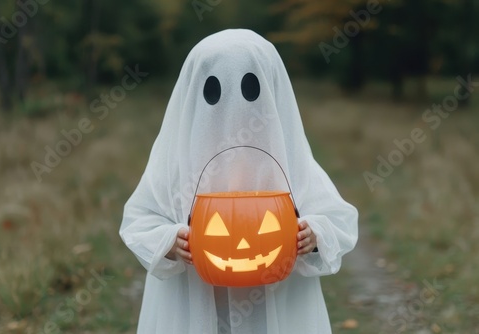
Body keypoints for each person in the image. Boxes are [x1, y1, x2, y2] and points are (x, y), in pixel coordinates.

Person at [120, 29, 358, 334]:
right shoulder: (174, 166)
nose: (233, 109)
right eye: (213, 92)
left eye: (250, 89)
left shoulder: (290, 163)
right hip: (194, 303)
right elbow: (139, 219)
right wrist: (168, 242)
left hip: (275, 305)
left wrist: (314, 234)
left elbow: (339, 219)